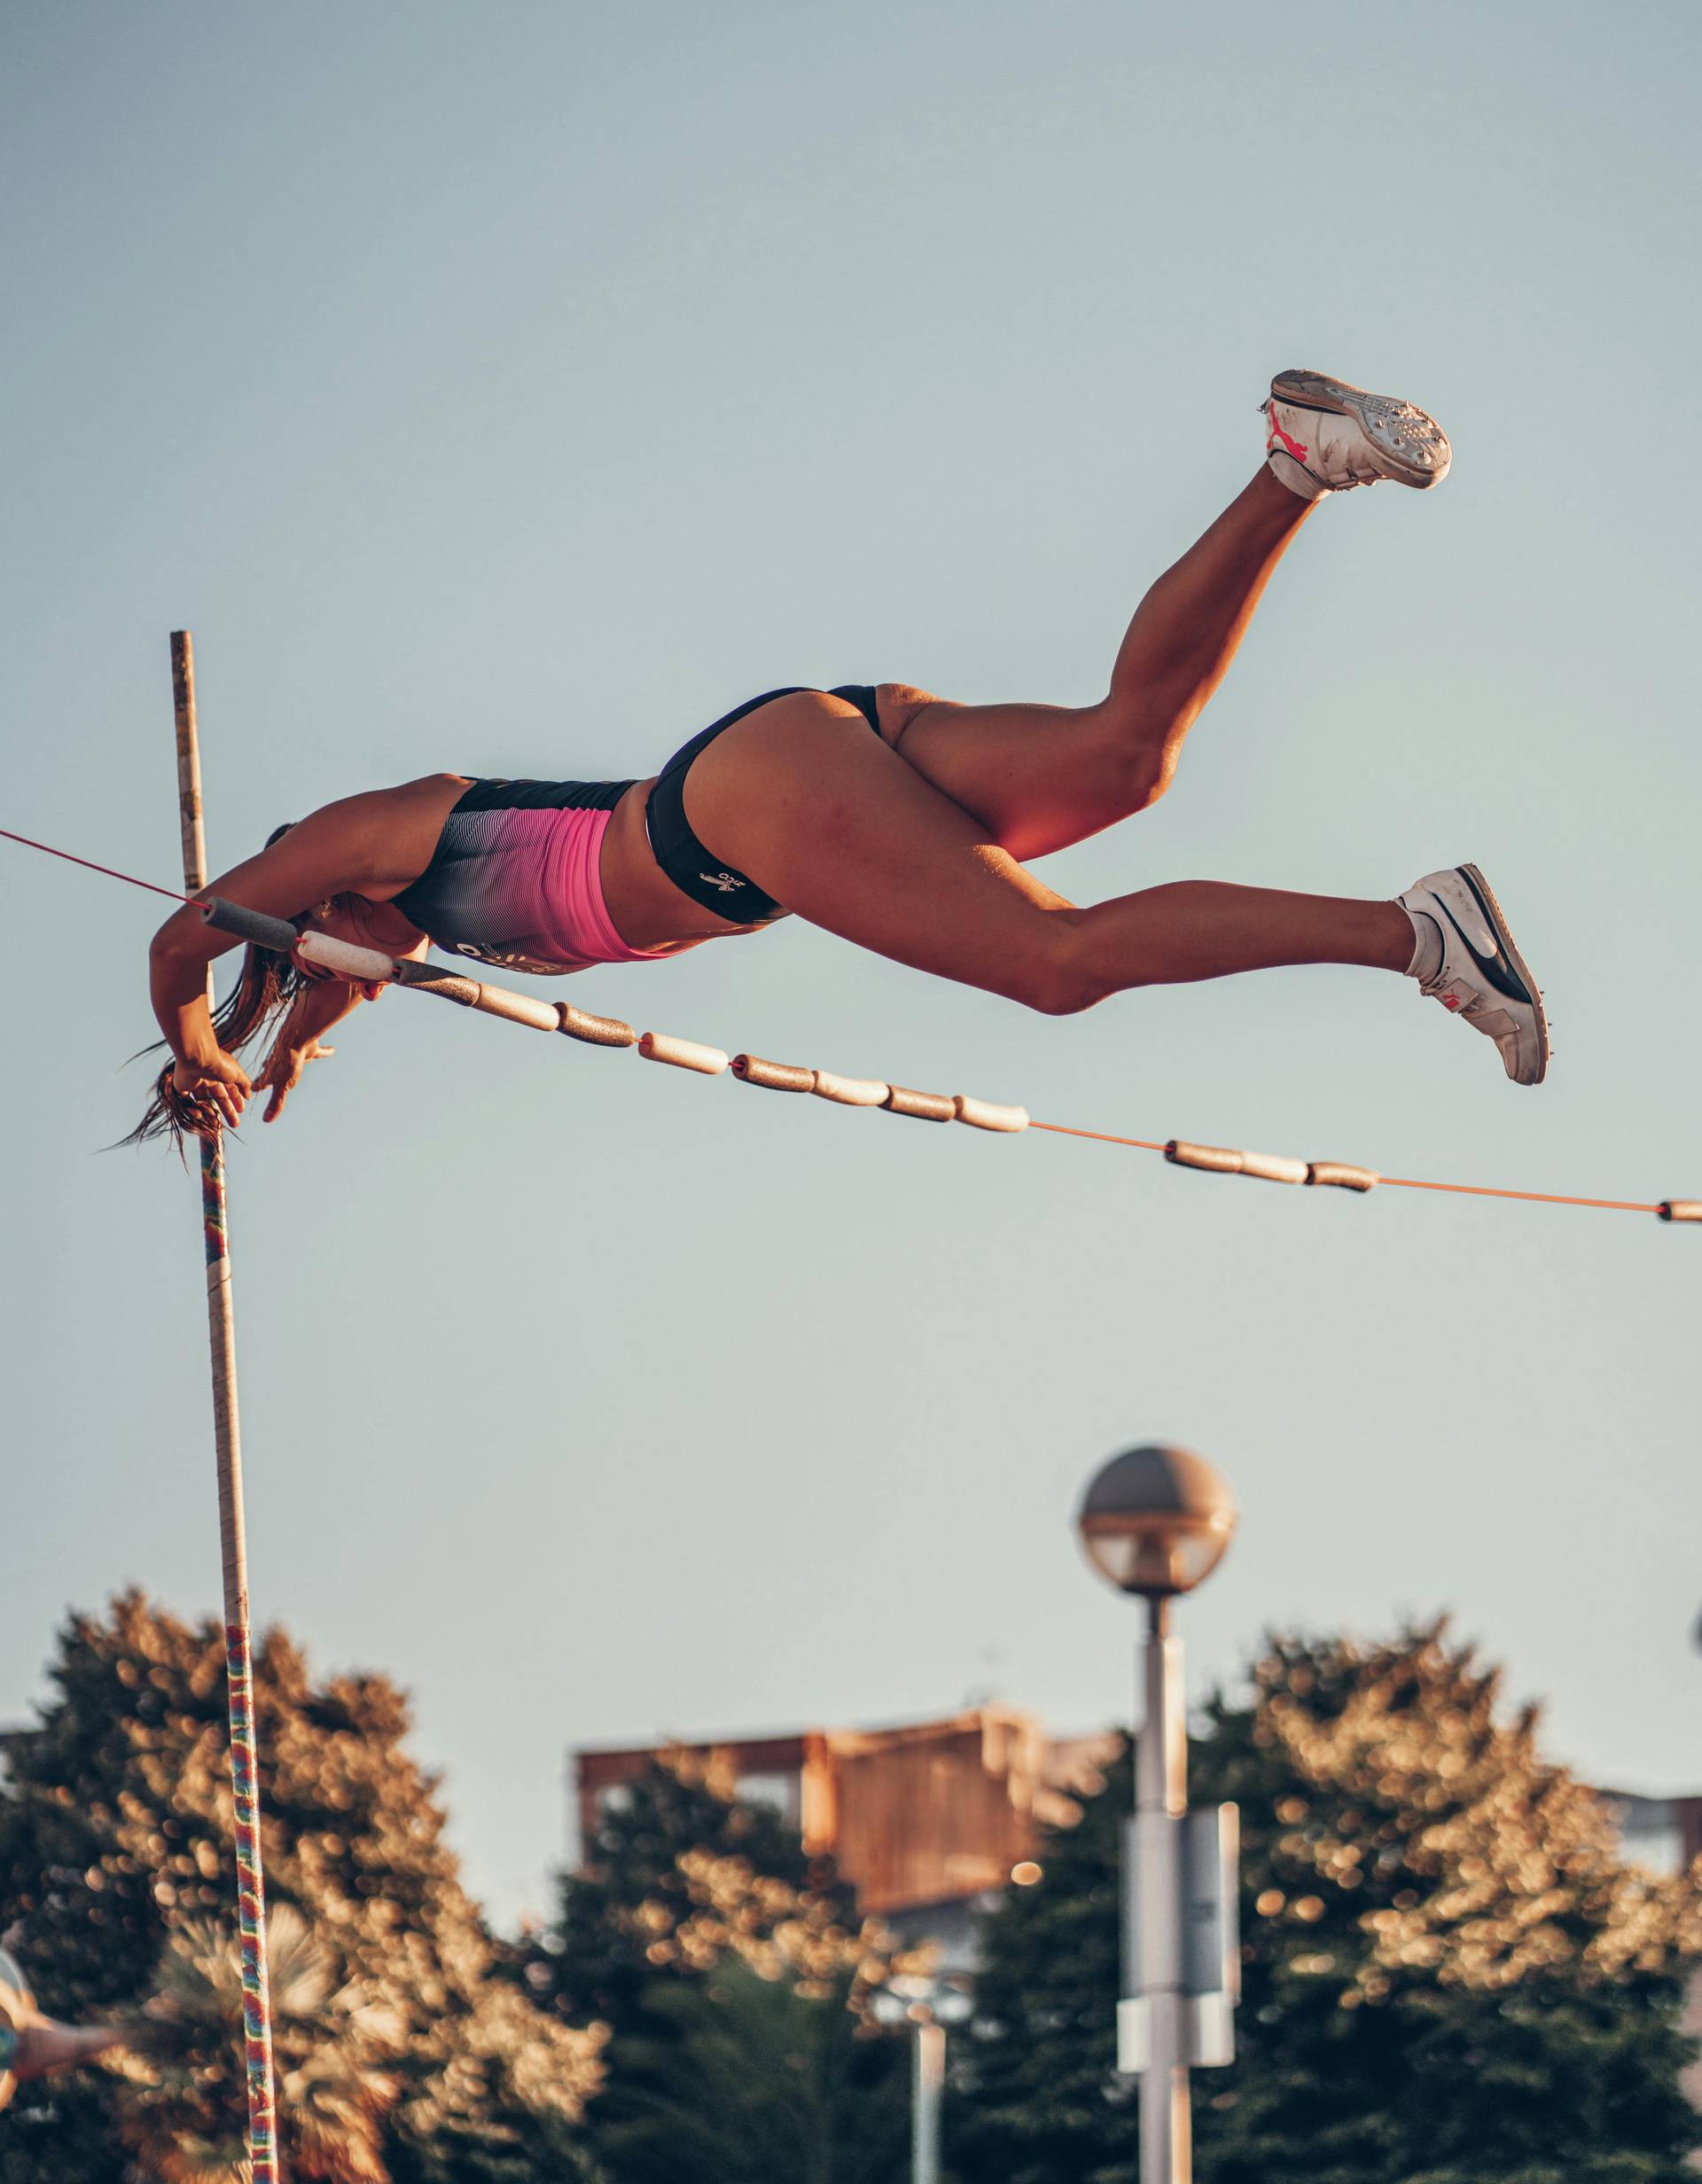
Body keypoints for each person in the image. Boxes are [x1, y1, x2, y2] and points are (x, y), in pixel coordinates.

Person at [135, 366, 1547, 1146]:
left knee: (1057, 968)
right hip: (813, 750)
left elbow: (181, 943)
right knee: (1128, 759)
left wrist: (196, 1043)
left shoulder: (369, 842)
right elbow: (329, 994)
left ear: (304, 909)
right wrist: (270, 1072)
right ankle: (1296, 463)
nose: (336, 985)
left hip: (743, 808)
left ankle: (1414, 936)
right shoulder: (392, 929)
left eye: (310, 954)